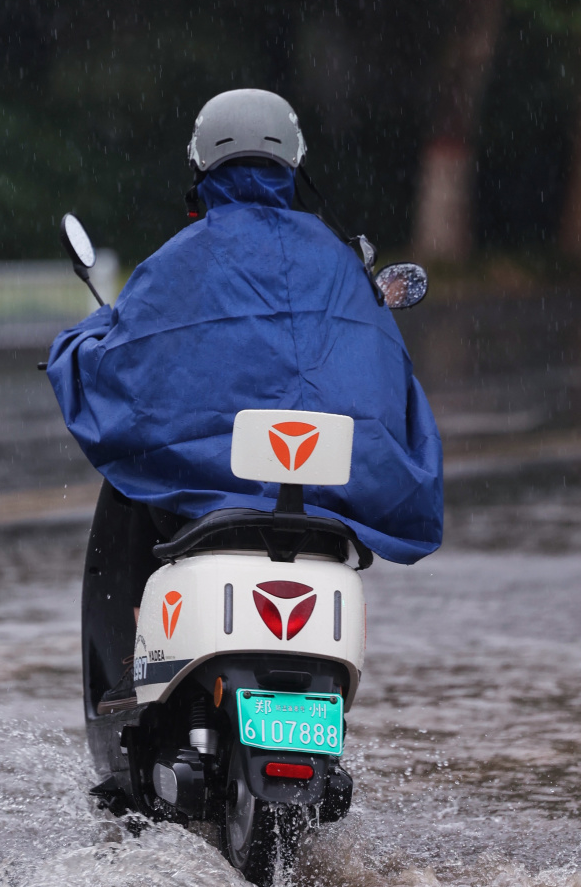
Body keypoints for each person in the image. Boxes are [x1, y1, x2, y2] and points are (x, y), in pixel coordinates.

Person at [47, 89, 443, 699]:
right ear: (295, 162)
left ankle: (136, 668)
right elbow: (394, 389)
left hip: (211, 507)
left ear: (201, 164)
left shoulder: (178, 262)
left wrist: (76, 345)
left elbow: (123, 366)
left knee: (135, 484)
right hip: (324, 509)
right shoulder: (342, 268)